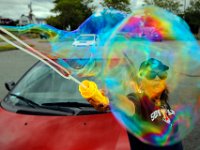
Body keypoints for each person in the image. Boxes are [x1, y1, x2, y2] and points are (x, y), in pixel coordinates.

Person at [78, 58, 183, 150]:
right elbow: (127, 104)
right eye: (151, 75)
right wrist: (111, 96)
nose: (157, 78)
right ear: (141, 82)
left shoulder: (162, 101)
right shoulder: (138, 100)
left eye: (161, 74)